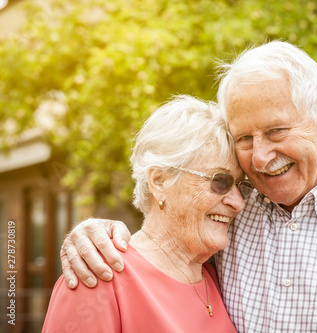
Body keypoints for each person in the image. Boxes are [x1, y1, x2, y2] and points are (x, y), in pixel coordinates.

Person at [59, 41, 317, 332]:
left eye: (276, 130)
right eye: (245, 139)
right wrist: (95, 232)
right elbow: (165, 240)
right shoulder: (234, 212)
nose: (262, 157)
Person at [43, 95, 252, 332]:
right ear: (160, 181)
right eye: (220, 181)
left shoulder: (218, 276)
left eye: (240, 185)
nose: (238, 202)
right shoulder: (98, 276)